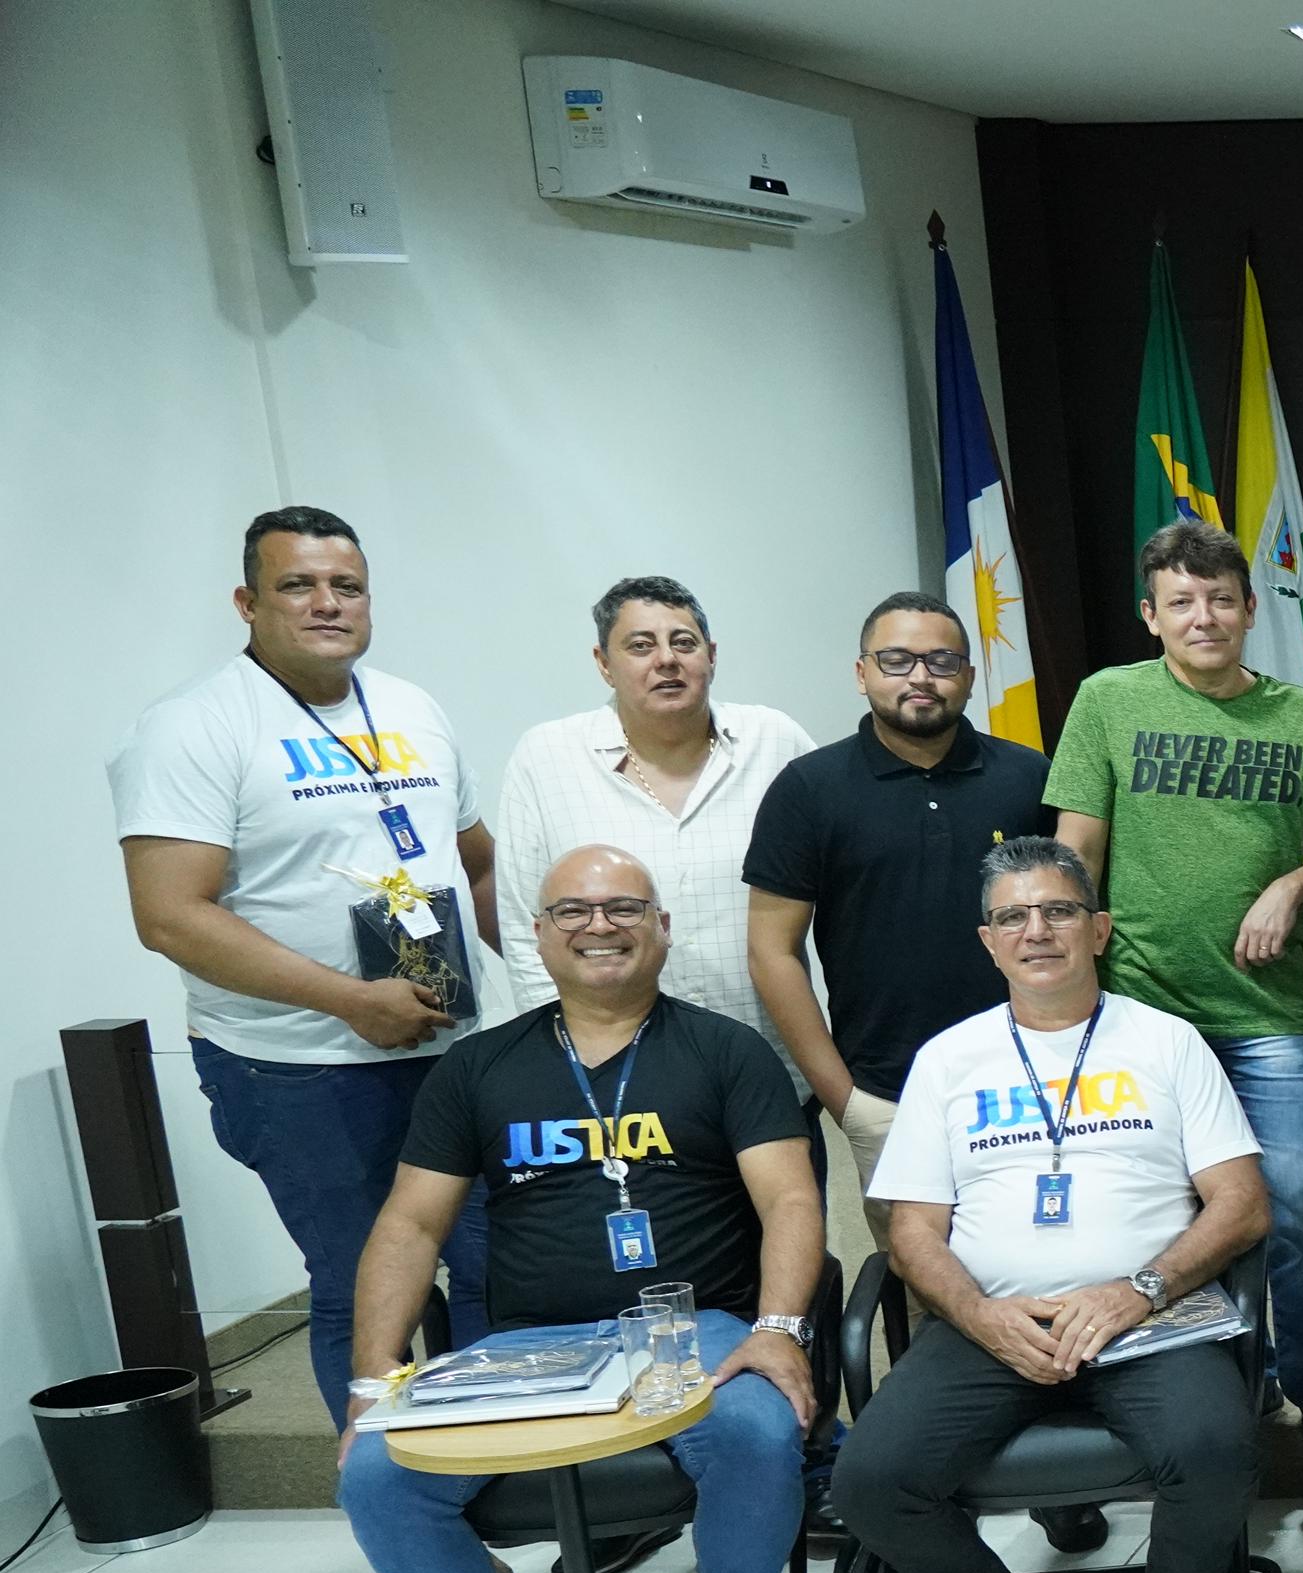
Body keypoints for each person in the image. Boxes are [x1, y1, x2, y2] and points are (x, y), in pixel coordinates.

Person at [332, 846, 819, 1573]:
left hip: (691, 1327)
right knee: (378, 1475)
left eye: (625, 906)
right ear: (538, 936)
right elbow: (410, 1225)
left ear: (663, 929)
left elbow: (792, 1198)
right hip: (532, 1347)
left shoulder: (727, 1052)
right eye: (574, 911)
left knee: (759, 1434)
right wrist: (371, 1379)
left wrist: (776, 1328)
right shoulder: (481, 1069)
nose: (601, 925)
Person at [834, 840, 1274, 1573]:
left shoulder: (1167, 1042)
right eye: (1013, 917)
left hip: (1149, 1312)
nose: (1037, 931)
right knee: (870, 1480)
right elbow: (912, 1230)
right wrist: (980, 1314)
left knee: (1218, 1448)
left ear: (1099, 930)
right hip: (990, 1320)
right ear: (988, 941)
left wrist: (1138, 1288)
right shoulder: (948, 1061)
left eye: (1060, 911)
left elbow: (1242, 1205)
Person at [113, 506, 495, 1425]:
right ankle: (412, 1520)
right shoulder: (190, 728)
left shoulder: (411, 706)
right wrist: (351, 1001)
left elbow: (475, 859)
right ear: (248, 601)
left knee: (495, 1266)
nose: (328, 603)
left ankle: (513, 1480)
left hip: (449, 1051)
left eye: (347, 586)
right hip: (301, 1068)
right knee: (368, 1289)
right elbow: (169, 916)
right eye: (298, 584)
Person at [1046, 519, 1303, 1430]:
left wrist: (1293, 883)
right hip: (1142, 1011)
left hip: (1266, 1013)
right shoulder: (1108, 699)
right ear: (1151, 615)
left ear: (1248, 607)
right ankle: (1202, 1392)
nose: (1204, 617)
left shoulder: (1302, 717)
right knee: (1152, 1212)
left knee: (1297, 1203)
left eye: (1221, 599)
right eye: (1181, 602)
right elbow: (1076, 850)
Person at [742, 591, 1056, 1213]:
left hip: (1029, 1080)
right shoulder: (807, 789)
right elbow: (771, 951)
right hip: (886, 1093)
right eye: (896, 660)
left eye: (942, 661)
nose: (920, 677)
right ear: (862, 674)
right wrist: (843, 1099)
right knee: (918, 1285)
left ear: (968, 677)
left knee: (1045, 1254)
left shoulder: (1029, 777)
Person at [493, 578, 818, 1094]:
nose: (666, 660)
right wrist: (563, 1066)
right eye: (640, 645)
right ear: (604, 663)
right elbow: (522, 927)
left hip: (769, 1066)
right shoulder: (546, 758)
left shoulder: (776, 743)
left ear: (711, 656)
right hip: (613, 1076)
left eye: (683, 642)